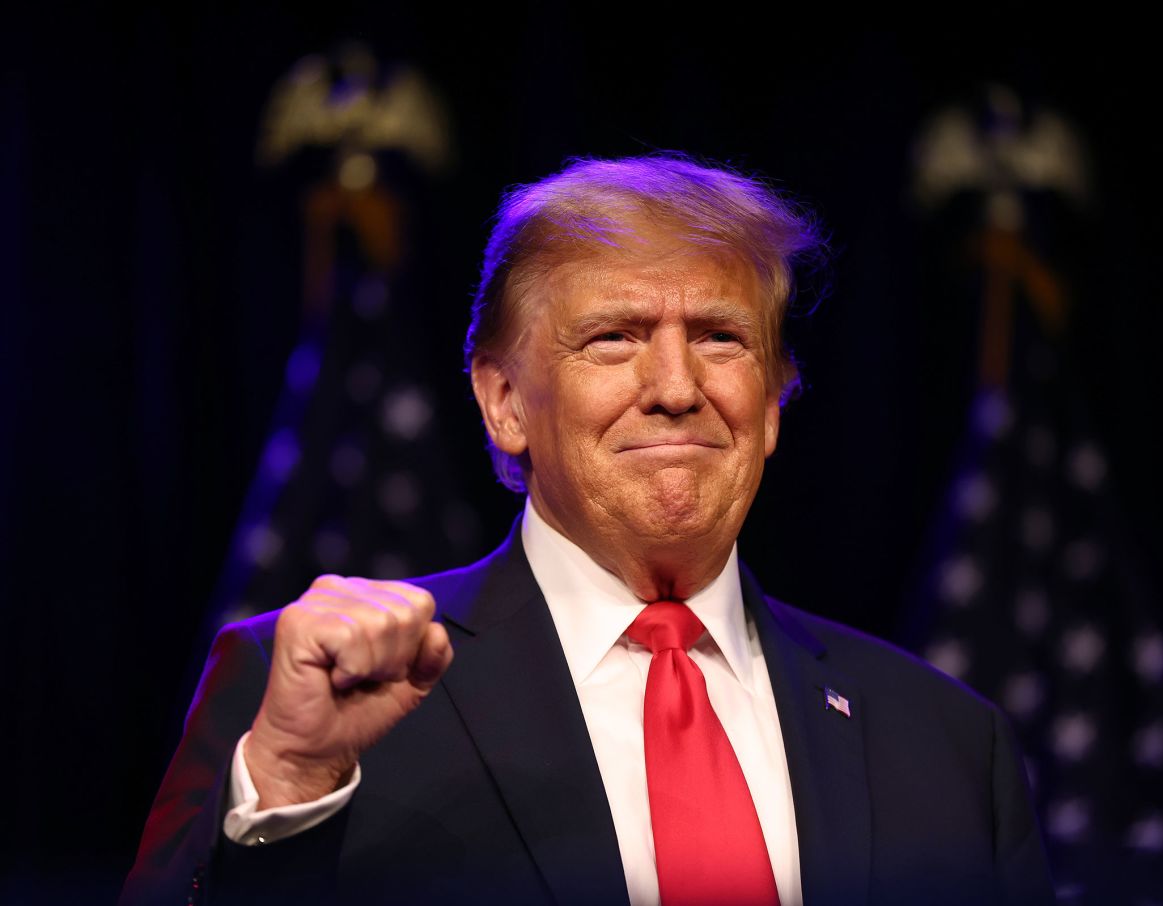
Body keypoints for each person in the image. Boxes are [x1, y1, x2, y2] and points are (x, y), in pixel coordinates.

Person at [123, 155, 1054, 906]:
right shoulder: (319, 703)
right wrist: (287, 781)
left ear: (774, 404)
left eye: (723, 338)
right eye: (614, 337)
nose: (678, 386)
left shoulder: (948, 746)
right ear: (503, 403)